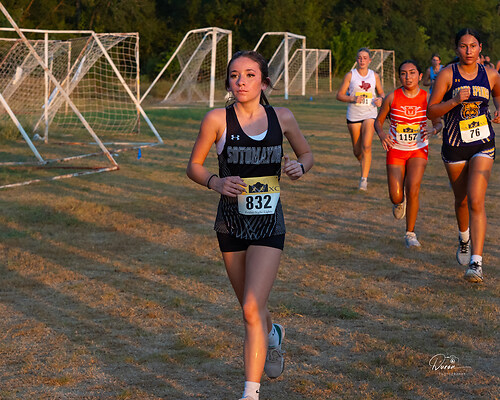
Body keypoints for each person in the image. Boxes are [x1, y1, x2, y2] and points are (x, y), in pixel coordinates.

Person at [186, 50, 313, 400]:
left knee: (250, 308)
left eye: (250, 75)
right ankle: (272, 336)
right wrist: (215, 182)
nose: (241, 81)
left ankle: (250, 393)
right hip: (230, 223)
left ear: (264, 82)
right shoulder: (216, 119)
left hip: (269, 223)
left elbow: (307, 154)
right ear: (228, 82)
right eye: (234, 75)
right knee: (251, 305)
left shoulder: (282, 118)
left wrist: (300, 167)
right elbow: (193, 166)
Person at [427, 28, 500, 283]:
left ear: (480, 48)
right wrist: (455, 100)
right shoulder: (447, 74)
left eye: (473, 46)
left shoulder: (490, 74)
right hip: (455, 144)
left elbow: (498, 93)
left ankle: (476, 263)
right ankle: (464, 237)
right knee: (461, 200)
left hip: (483, 143)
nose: (468, 51)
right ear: (456, 48)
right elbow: (431, 111)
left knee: (476, 200)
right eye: (463, 46)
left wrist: (499, 109)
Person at [375, 60, 442, 248]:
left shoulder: (428, 98)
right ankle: (399, 202)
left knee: (413, 188)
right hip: (396, 149)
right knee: (396, 195)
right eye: (404, 73)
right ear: (399, 77)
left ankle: (410, 233)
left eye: (412, 73)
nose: (408, 77)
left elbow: (438, 123)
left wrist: (434, 130)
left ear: (420, 76)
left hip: (418, 148)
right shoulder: (392, 97)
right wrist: (382, 135)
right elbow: (378, 121)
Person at [336, 47, 384, 191]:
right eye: (359, 58)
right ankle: (364, 164)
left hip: (370, 113)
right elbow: (339, 95)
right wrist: (353, 98)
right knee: (357, 151)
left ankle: (364, 180)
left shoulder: (374, 76)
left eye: (365, 58)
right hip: (354, 115)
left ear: (369, 60)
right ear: (356, 60)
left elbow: (381, 93)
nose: (362, 60)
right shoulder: (350, 75)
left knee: (366, 146)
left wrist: (381, 99)